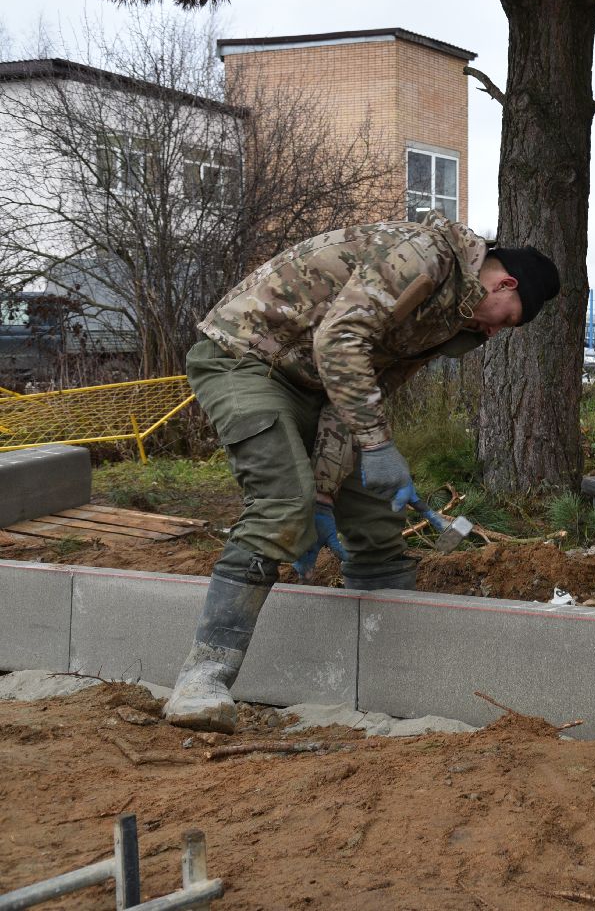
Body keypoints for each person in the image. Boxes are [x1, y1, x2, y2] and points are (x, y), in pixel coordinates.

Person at [162, 211, 558, 733]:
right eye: (505, 318)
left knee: (373, 515)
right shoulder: (426, 256)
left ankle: (395, 674)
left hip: (318, 385)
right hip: (248, 358)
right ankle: (201, 681)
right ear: (505, 283)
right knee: (282, 504)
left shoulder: (446, 320)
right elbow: (338, 341)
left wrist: (326, 495)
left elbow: (352, 395)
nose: (493, 329)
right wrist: (375, 446)